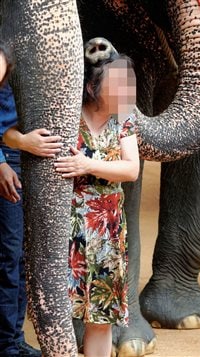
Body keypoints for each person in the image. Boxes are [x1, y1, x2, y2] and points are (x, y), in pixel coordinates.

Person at [52, 42, 140, 357]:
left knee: (101, 316)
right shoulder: (65, 116)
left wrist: (87, 165)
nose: (126, 90)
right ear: (92, 86)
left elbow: (131, 169)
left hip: (107, 231)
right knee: (58, 310)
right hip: (67, 227)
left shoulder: (124, 120)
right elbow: (12, 133)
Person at [0, 43, 62, 357]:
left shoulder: (18, 67)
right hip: (9, 162)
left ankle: (14, 337)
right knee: (9, 254)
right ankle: (6, 342)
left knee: (21, 253)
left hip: (26, 161)